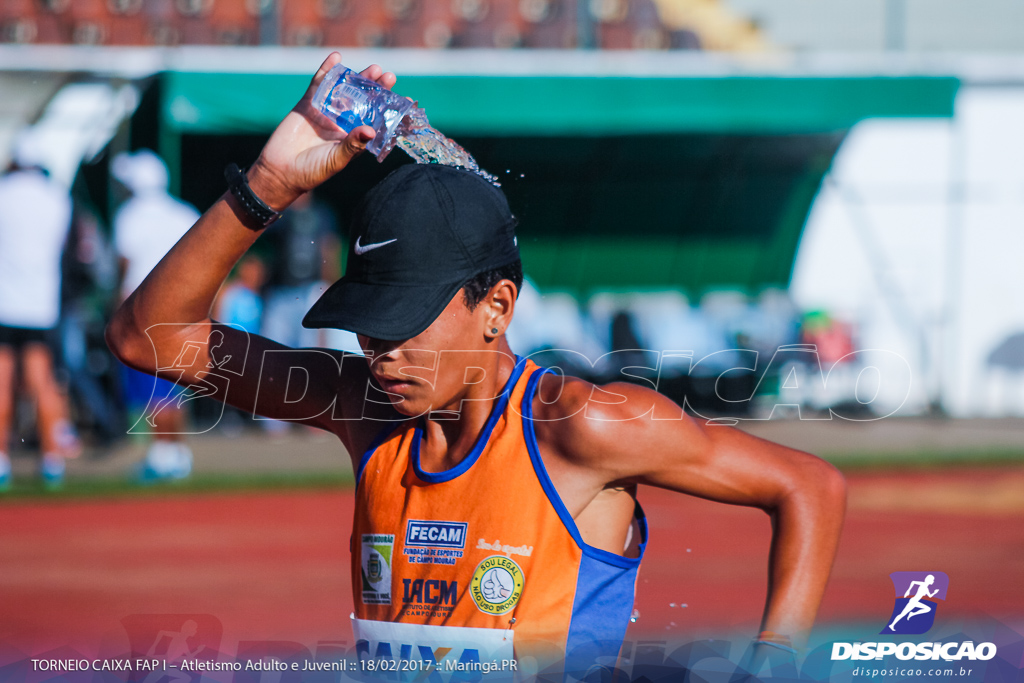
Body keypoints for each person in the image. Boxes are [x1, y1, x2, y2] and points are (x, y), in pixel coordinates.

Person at [106, 54, 846, 674]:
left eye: (404, 325)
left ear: (496, 306)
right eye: (366, 325)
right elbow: (148, 338)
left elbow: (809, 485)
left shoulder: (580, 425)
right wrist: (270, 183)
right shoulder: (364, 409)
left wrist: (774, 659)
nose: (380, 351)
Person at [111, 149, 201, 481]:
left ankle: (164, 456)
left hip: (145, 310)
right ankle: (175, 452)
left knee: (153, 388)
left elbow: (124, 268)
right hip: (182, 309)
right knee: (174, 386)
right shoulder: (183, 213)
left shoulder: (130, 215)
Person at [0, 135, 81, 489]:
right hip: (41, 303)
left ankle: (2, 460)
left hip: (5, 301)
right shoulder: (57, 199)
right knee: (42, 379)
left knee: (2, 381)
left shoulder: (3, 193)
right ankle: (52, 460)